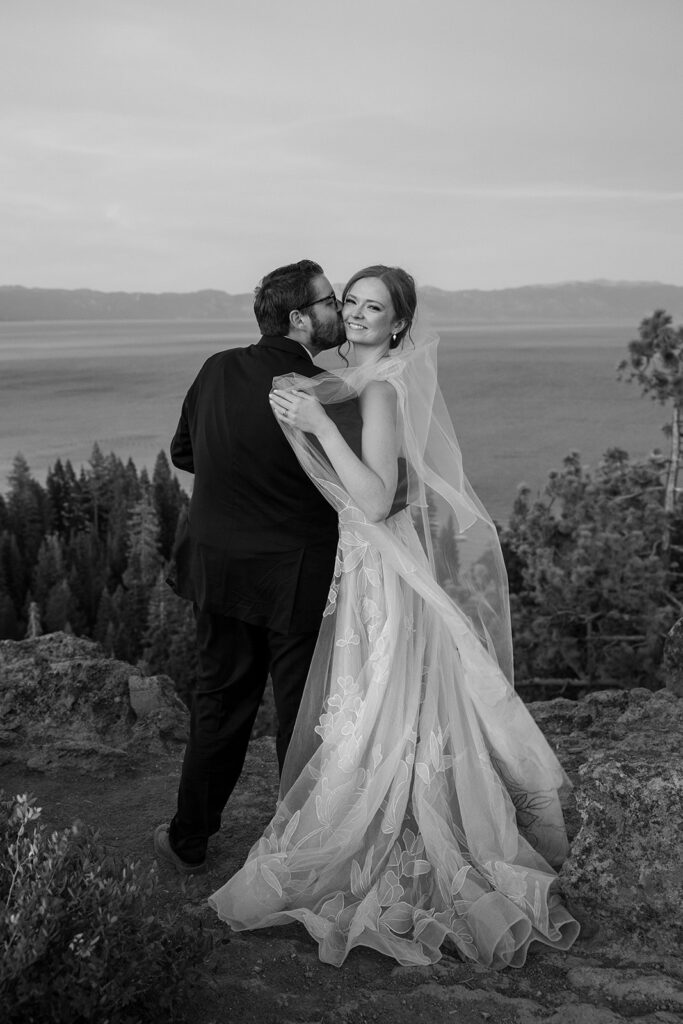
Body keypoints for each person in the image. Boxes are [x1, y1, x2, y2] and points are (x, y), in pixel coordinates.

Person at [208, 265, 580, 968]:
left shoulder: (378, 387)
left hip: (379, 562)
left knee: (383, 693)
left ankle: (388, 827)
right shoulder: (350, 380)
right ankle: (378, 803)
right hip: (362, 560)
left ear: (398, 324)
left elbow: (375, 499)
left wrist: (317, 422)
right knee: (379, 697)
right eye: (347, 300)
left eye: (371, 307)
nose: (353, 313)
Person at [153, 259, 346, 874]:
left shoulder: (217, 369)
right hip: (295, 574)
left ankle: (189, 838)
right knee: (301, 713)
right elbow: (353, 486)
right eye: (329, 301)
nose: (337, 310)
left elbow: (185, 451)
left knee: (220, 702)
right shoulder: (320, 391)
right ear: (298, 318)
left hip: (218, 568)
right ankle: (299, 858)